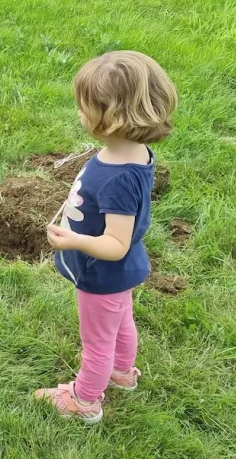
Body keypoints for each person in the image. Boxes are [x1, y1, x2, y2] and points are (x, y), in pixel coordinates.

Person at [35, 51, 178, 422]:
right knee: (121, 320)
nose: (78, 114)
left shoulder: (119, 178)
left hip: (103, 273)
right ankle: (122, 372)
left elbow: (115, 245)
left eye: (83, 108)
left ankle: (84, 401)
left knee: (97, 342)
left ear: (110, 118)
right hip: (120, 274)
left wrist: (74, 240)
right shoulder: (129, 152)